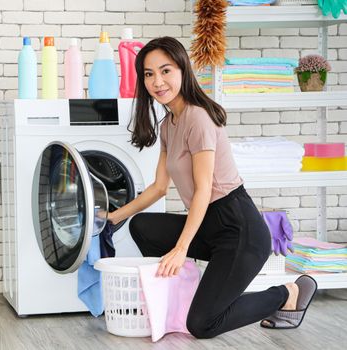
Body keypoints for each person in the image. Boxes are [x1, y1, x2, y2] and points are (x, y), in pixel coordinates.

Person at [106, 37, 317, 339]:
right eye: (149, 74)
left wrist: (181, 249)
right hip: (209, 225)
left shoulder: (198, 118)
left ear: (182, 69)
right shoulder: (169, 124)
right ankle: (185, 293)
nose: (157, 81)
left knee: (202, 324)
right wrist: (112, 218)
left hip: (238, 228)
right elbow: (158, 188)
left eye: (165, 71)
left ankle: (286, 293)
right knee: (142, 226)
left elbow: (204, 190)